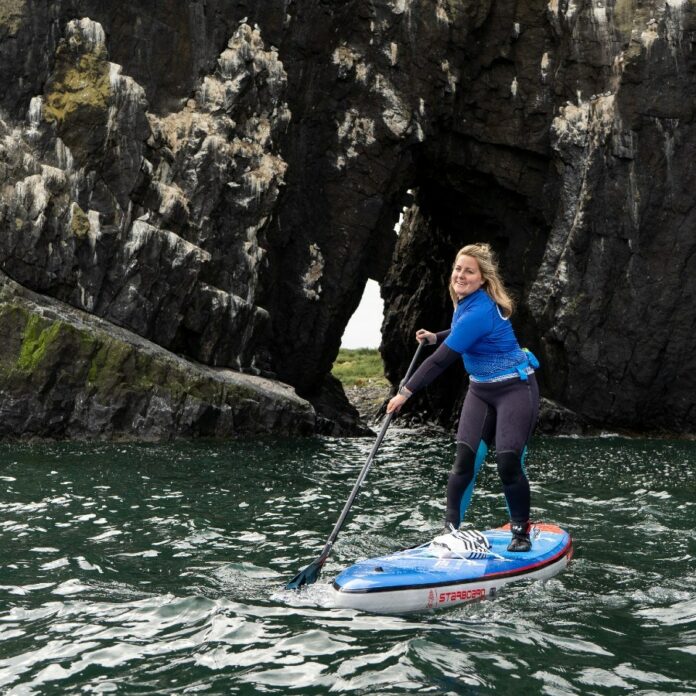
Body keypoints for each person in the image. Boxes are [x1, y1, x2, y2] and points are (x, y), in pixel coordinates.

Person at [386, 243, 539, 552]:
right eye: (458, 268)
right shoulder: (466, 305)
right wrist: (435, 336)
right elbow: (459, 332)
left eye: (469, 271)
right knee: (463, 463)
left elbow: (440, 361)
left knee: (508, 464)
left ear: (482, 278)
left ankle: (521, 531)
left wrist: (404, 393)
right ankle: (450, 532)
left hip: (515, 389)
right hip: (481, 391)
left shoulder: (480, 309)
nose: (461, 275)